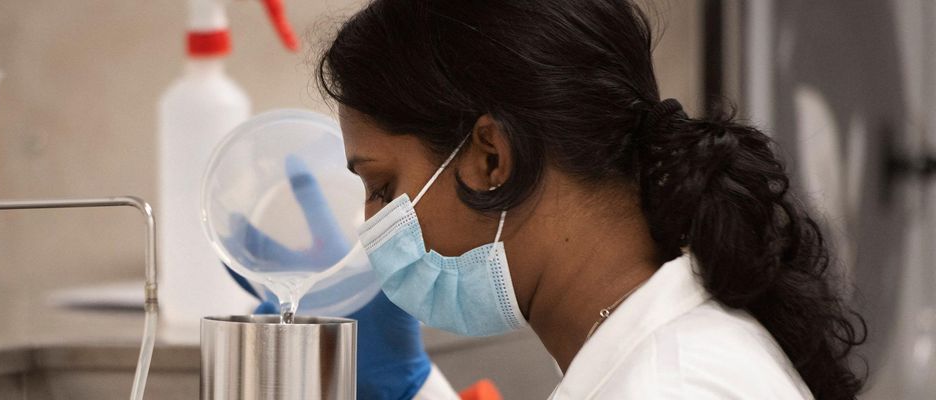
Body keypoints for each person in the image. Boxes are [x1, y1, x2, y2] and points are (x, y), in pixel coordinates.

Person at [311, 0, 867, 399]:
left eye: (382, 188)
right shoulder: (659, 344)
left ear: (490, 160)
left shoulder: (671, 384)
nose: (371, 227)